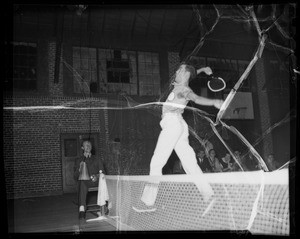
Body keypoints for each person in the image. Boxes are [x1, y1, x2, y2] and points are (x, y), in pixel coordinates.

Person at [139, 64, 224, 207]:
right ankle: (208, 195)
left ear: (184, 74)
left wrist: (214, 102)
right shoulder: (181, 84)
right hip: (179, 125)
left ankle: (147, 203)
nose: (176, 72)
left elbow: (196, 99)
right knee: (190, 163)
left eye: (179, 70)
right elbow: (192, 72)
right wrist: (202, 69)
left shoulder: (184, 90)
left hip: (172, 123)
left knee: (156, 162)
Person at [73, 140, 106, 220]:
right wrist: (79, 170)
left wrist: (97, 176)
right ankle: (82, 209)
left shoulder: (97, 159)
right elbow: (75, 177)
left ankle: (105, 207)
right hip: (84, 183)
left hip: (96, 182)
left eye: (89, 145)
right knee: (82, 182)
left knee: (103, 182)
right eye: (86, 145)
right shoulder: (78, 160)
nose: (88, 146)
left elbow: (103, 173)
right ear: (82, 148)